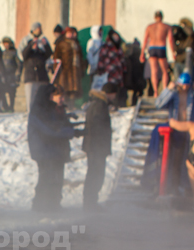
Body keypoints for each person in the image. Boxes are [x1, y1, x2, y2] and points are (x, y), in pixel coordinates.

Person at [28, 84, 81, 211]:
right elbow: (49, 129)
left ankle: (52, 205)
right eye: (52, 95)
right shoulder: (38, 110)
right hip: (43, 150)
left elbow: (56, 125)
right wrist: (72, 132)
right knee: (45, 179)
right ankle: (40, 206)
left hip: (51, 149)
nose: (54, 98)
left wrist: (72, 125)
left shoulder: (48, 108)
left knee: (54, 179)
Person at [82, 82, 117, 210]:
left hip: (94, 146)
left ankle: (90, 202)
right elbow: (97, 126)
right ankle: (90, 203)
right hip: (96, 147)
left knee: (94, 173)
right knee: (95, 174)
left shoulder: (97, 103)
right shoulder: (100, 105)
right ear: (110, 94)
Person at [21, 23, 52, 112]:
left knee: (43, 97)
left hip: (42, 77)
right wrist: (30, 45)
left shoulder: (41, 50)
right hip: (30, 77)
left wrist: (45, 45)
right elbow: (23, 55)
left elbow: (49, 54)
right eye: (38, 28)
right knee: (30, 99)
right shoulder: (27, 44)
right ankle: (31, 115)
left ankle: (42, 115)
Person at [141, 11, 173, 96]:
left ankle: (155, 92)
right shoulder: (166, 26)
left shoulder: (150, 27)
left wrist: (142, 53)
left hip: (152, 48)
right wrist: (173, 52)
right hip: (161, 47)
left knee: (154, 71)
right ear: (162, 17)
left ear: (155, 17)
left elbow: (145, 40)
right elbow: (170, 41)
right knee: (164, 71)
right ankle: (165, 89)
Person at [53, 27, 84, 107]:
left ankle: (72, 105)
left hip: (75, 69)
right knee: (65, 88)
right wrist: (56, 69)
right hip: (65, 70)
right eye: (70, 33)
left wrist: (82, 68)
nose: (72, 35)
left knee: (74, 89)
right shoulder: (61, 43)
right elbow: (56, 57)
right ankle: (64, 105)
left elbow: (80, 57)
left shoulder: (76, 44)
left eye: (73, 33)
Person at [96, 29, 126, 107]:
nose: (116, 38)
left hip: (118, 72)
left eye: (117, 36)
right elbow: (101, 58)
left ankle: (117, 105)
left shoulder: (118, 47)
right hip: (109, 72)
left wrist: (124, 68)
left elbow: (122, 58)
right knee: (110, 89)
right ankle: (109, 105)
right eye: (114, 36)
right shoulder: (106, 46)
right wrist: (100, 69)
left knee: (117, 89)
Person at [0, 37, 20, 112]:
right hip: (4, 75)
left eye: (7, 43)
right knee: (2, 91)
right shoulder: (3, 53)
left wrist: (17, 74)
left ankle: (11, 107)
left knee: (12, 92)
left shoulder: (14, 52)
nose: (6, 45)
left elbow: (18, 64)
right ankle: (5, 106)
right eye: (5, 44)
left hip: (12, 75)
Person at [124, 39, 146, 106]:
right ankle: (137, 103)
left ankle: (134, 103)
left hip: (133, 75)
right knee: (139, 91)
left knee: (135, 91)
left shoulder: (131, 55)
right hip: (139, 75)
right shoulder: (140, 54)